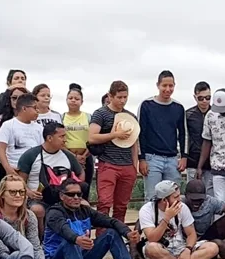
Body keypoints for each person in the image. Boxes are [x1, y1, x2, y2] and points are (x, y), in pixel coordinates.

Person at [44, 180, 150, 259]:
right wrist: (77, 239)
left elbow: (110, 221)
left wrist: (127, 233)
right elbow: (63, 229)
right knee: (69, 242)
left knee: (111, 232)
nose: (76, 197)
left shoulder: (85, 211)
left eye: (79, 194)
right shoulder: (54, 212)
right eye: (71, 194)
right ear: (61, 196)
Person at [138, 180, 220, 259]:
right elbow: (152, 238)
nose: (180, 199)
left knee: (213, 248)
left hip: (180, 246)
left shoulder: (182, 207)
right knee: (151, 248)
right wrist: (166, 218)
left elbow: (191, 234)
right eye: (176, 197)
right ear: (164, 200)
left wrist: (188, 249)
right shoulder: (147, 210)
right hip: (161, 249)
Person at [17, 122, 84, 236]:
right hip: (38, 199)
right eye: (61, 136)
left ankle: (79, 237)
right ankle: (42, 240)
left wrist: (74, 191)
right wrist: (29, 192)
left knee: (85, 206)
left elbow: (80, 173)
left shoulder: (68, 156)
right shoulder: (31, 155)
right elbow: (19, 180)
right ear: (49, 138)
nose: (65, 140)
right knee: (38, 210)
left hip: (64, 198)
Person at [88, 80, 139, 222]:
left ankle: (117, 237)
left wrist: (135, 166)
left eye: (125, 97)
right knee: (104, 203)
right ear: (110, 96)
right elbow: (92, 137)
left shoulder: (131, 116)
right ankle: (102, 239)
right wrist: (114, 135)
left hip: (127, 164)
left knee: (122, 206)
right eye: (119, 97)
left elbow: (134, 143)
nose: (123, 101)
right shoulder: (100, 114)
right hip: (108, 163)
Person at [138, 70, 188, 198]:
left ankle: (172, 219)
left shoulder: (178, 107)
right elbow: (140, 133)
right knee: (152, 197)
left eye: (170, 86)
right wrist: (141, 158)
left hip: (172, 159)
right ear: (158, 85)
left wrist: (184, 156)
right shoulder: (146, 105)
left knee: (174, 197)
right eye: (164, 86)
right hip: (152, 159)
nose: (167, 89)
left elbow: (183, 133)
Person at [0, 93, 43, 178]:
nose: (38, 111)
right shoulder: (8, 125)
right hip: (15, 168)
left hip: (35, 171)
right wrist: (8, 169)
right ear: (24, 108)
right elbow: (1, 149)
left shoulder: (39, 128)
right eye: (35, 108)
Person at [62, 83, 94, 185]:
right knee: (67, 186)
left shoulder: (89, 117)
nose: (73, 100)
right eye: (70, 98)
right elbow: (59, 138)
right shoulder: (61, 117)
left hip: (86, 158)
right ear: (66, 100)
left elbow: (93, 137)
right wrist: (74, 157)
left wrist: (84, 156)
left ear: (82, 101)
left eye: (76, 98)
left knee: (85, 186)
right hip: (67, 156)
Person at [186, 81, 213, 193]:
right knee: (192, 196)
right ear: (195, 97)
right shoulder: (188, 115)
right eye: (201, 98)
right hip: (193, 161)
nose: (204, 101)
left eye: (208, 97)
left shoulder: (216, 114)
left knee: (210, 197)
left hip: (212, 164)